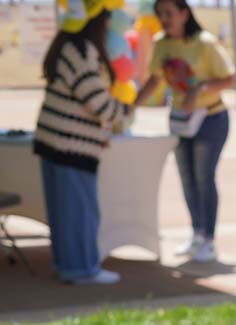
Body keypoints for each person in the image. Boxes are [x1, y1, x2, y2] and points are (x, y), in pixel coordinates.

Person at [33, 0, 132, 285]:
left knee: (64, 212)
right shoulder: (82, 50)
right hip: (70, 144)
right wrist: (122, 113)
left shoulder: (67, 46)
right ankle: (82, 268)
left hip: (56, 140)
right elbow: (96, 100)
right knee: (79, 212)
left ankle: (68, 264)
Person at [134, 0, 233, 264]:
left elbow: (230, 78)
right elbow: (154, 79)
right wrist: (131, 106)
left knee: (204, 176)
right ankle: (197, 232)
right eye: (160, 14)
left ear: (184, 13)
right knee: (187, 178)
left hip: (210, 118)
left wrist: (199, 90)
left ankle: (209, 239)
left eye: (169, 13)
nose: (164, 19)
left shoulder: (205, 43)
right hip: (180, 120)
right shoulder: (161, 43)